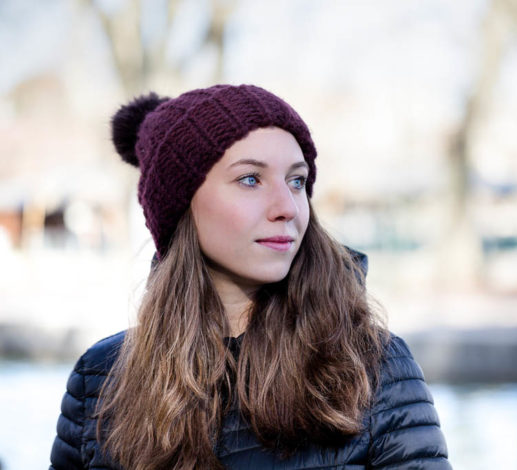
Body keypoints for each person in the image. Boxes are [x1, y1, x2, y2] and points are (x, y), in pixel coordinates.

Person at [49, 84, 451, 469]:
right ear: (181, 207)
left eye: (297, 181)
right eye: (250, 179)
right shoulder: (99, 378)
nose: (288, 207)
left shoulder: (372, 366)